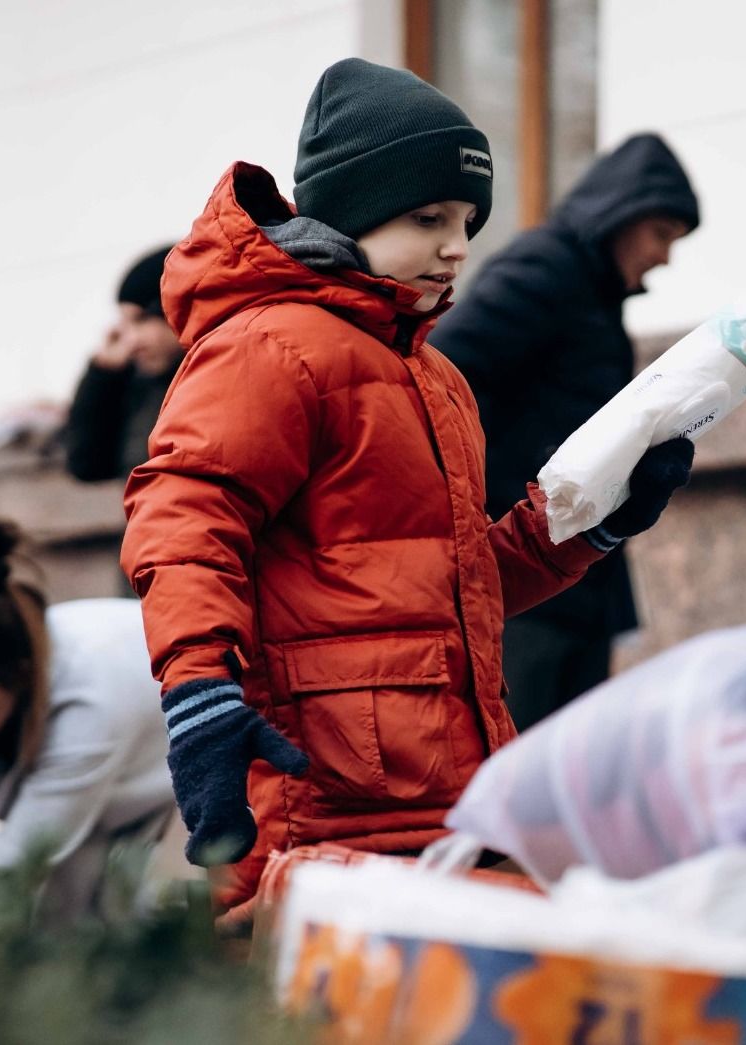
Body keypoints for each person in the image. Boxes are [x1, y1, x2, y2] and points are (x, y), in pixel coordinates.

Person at [120, 58, 695, 914]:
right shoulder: (271, 345)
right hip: (318, 806)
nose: (457, 244)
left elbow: (458, 586)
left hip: (450, 799)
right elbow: (184, 519)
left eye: (468, 219)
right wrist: (200, 695)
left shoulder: (432, 377)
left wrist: (589, 523)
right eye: (428, 216)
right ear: (352, 208)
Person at [433, 133, 699, 730]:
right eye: (661, 234)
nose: (665, 256)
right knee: (523, 773)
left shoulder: (595, 295)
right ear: (621, 214)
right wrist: (524, 477)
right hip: (525, 570)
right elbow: (447, 380)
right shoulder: (546, 270)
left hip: (574, 571)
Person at [0, 519, 174, 923]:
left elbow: (17, 861)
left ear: (18, 678)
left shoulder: (91, 704)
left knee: (89, 922)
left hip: (182, 740)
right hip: (98, 751)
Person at [61, 246, 183, 483]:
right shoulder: (142, 388)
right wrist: (104, 374)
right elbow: (87, 465)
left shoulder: (217, 381)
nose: (131, 340)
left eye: (143, 320)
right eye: (125, 325)